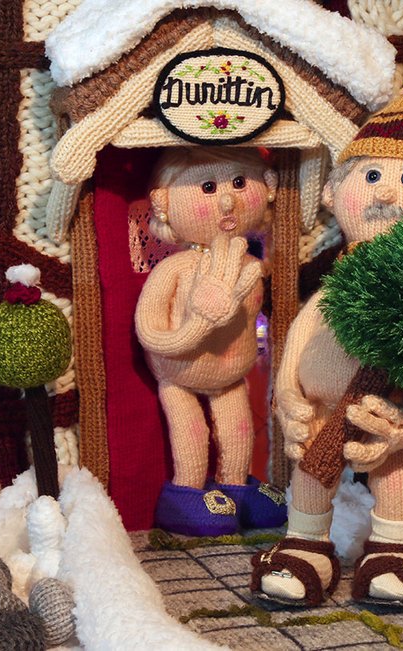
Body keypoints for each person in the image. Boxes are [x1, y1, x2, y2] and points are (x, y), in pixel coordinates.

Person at [251, 84, 403, 607]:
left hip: (384, 413)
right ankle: (306, 544)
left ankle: (392, 548)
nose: (386, 194)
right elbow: (301, 335)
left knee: (394, 467)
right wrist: (289, 395)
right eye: (371, 176)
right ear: (333, 192)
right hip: (321, 410)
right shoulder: (335, 282)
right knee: (311, 470)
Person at [135, 146, 286, 536]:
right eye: (207, 187)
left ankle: (235, 487)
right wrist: (197, 325)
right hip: (179, 374)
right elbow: (149, 330)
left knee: (239, 432)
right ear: (165, 203)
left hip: (232, 374)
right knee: (191, 434)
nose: (227, 200)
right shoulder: (175, 268)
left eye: (239, 182)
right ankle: (186, 492)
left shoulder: (252, 266)